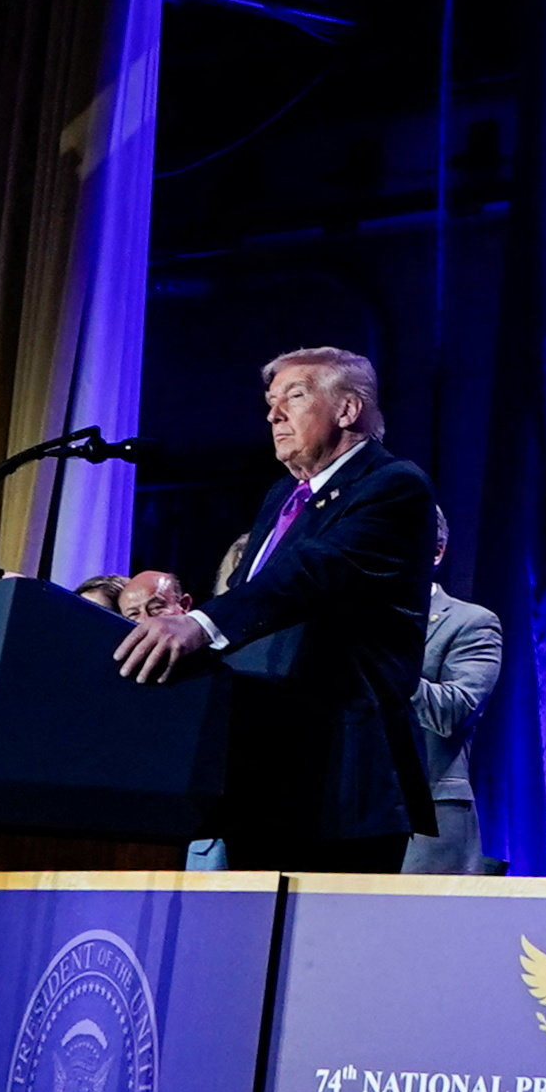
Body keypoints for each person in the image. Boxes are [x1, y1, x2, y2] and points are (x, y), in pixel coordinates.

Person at [117, 347, 439, 872]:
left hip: (341, 776)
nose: (273, 415)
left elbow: (313, 571)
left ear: (348, 410)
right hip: (262, 768)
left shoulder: (393, 485)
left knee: (323, 948)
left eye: (294, 395)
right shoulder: (282, 497)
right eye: (270, 401)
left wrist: (199, 624)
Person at [408, 507, 505, 875]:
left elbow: (453, 711)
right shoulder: (344, 620)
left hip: (425, 826)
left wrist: (385, 664)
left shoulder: (471, 623)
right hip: (338, 818)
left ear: (437, 552)